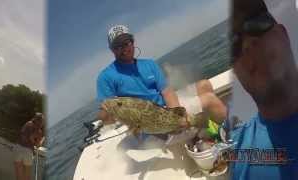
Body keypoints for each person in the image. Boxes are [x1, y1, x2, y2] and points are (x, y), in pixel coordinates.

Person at [96, 25, 227, 137]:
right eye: (117, 46)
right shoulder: (106, 77)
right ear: (112, 50)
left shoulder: (149, 64)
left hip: (164, 110)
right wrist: (106, 116)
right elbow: (106, 114)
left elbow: (167, 92)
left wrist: (177, 117)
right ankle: (237, 135)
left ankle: (209, 127)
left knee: (204, 84)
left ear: (132, 42)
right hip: (149, 124)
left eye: (126, 43)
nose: (124, 48)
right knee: (209, 99)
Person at [227, 0, 298, 179]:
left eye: (257, 22)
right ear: (236, 72)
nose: (248, 44)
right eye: (234, 44)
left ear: (283, 34)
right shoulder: (238, 153)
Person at [13, 112, 45, 180]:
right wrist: (42, 139)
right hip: (27, 152)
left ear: (34, 118)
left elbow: (24, 135)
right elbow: (37, 145)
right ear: (41, 122)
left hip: (18, 148)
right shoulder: (39, 131)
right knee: (27, 177)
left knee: (18, 176)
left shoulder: (27, 124)